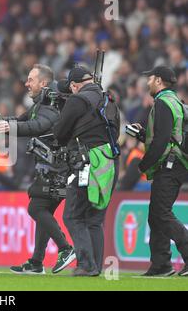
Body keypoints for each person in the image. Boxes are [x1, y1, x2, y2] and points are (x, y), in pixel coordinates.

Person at [0, 64, 75, 275]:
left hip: (56, 169)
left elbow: (37, 126)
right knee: (43, 211)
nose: (26, 83)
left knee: (36, 209)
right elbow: (22, 121)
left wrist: (11, 127)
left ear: (44, 83)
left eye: (31, 79)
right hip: (52, 168)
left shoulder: (49, 105)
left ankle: (66, 249)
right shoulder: (41, 103)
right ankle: (37, 262)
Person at [54, 66, 117, 276]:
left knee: (73, 215)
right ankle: (95, 266)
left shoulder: (77, 100)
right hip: (108, 161)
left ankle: (86, 265)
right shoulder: (108, 99)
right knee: (95, 219)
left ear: (74, 85)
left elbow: (60, 133)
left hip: (86, 161)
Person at [131, 66, 188, 277]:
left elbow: (163, 140)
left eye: (150, 78)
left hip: (170, 166)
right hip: (175, 164)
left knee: (161, 214)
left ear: (159, 81)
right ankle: (161, 264)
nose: (147, 82)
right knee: (156, 216)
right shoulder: (176, 101)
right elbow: (169, 136)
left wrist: (143, 165)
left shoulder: (163, 102)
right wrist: (143, 135)